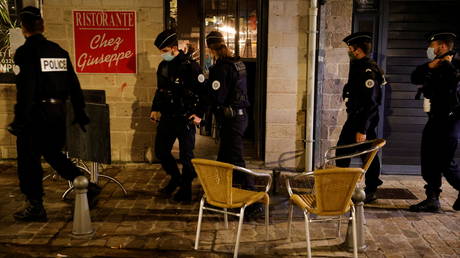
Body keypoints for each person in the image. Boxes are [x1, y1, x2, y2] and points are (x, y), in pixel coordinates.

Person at [8, 6, 101, 222]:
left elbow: (27, 89)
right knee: (53, 154)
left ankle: (35, 206)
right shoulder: (58, 51)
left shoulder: (26, 52)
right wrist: (79, 112)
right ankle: (87, 185)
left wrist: (20, 119)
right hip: (57, 113)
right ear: (42, 26)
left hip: (35, 115)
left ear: (24, 29)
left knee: (28, 162)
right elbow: (74, 84)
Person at [205, 31, 262, 218]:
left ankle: (253, 199)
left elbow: (217, 96)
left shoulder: (220, 68)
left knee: (236, 159)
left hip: (231, 120)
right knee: (223, 158)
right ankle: (220, 195)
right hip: (241, 116)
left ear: (210, 49)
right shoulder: (238, 63)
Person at [150, 29, 205, 203]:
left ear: (174, 48)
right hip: (167, 115)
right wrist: (155, 108)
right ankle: (176, 178)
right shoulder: (163, 66)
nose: (163, 55)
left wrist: (199, 115)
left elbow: (203, 93)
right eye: (161, 52)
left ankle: (186, 191)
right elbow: (161, 89)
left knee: (186, 156)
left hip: (185, 117)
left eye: (165, 51)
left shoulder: (190, 66)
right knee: (161, 151)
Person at [409, 32, 460, 212]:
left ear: (443, 46)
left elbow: (454, 83)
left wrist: (445, 65)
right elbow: (414, 77)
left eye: (433, 46)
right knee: (429, 159)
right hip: (435, 119)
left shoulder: (456, 66)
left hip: (451, 121)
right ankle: (432, 198)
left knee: (445, 162)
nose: (430, 49)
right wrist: (432, 65)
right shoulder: (434, 65)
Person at [336, 32, 386, 203]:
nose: (349, 52)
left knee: (347, 152)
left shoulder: (368, 70)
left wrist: (362, 129)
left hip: (362, 120)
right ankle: (360, 187)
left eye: (350, 49)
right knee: (364, 153)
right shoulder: (359, 65)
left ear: (357, 50)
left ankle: (363, 189)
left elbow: (371, 103)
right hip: (357, 118)